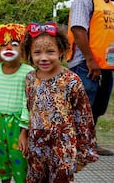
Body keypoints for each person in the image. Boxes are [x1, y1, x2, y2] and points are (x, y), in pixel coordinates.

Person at [22, 22, 99, 182]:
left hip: (62, 149)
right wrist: (24, 134)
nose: (43, 58)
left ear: (61, 50)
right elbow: (30, 110)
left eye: (50, 51)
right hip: (36, 148)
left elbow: (84, 119)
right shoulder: (30, 78)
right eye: (37, 52)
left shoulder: (71, 80)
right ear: (29, 53)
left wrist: (82, 156)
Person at [67, 0, 114, 156]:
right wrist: (90, 60)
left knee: (98, 106)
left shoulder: (110, 4)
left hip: (106, 65)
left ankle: (89, 142)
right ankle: (75, 145)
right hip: (85, 65)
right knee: (81, 107)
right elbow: (78, 30)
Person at [0, 24, 33, 183]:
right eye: (3, 44)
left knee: (20, 163)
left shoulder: (28, 72)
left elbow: (28, 102)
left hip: (18, 125)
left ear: (23, 47)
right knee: (1, 163)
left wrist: (23, 131)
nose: (8, 48)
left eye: (14, 44)